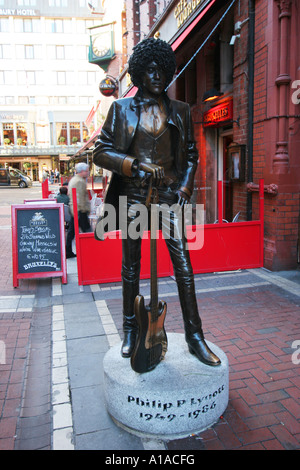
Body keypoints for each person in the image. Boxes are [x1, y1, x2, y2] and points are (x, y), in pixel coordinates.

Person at [93, 38, 220, 367]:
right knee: (130, 268)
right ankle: (131, 331)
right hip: (133, 197)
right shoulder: (121, 109)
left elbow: (191, 155)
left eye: (162, 70)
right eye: (150, 70)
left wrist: (186, 188)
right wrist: (133, 164)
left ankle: (195, 337)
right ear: (138, 73)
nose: (157, 75)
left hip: (168, 198)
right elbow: (101, 152)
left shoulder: (180, 111)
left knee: (184, 267)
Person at [66, 162, 91, 259]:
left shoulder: (74, 180)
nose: (88, 173)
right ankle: (89, 249)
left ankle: (68, 251)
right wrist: (84, 210)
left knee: (71, 232)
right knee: (87, 232)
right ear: (82, 171)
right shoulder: (80, 182)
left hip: (75, 210)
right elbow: (79, 198)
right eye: (87, 171)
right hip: (80, 211)